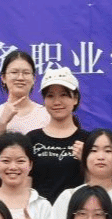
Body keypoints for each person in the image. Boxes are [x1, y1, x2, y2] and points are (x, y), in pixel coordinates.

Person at [26, 67, 89, 204]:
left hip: (76, 212)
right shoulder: (31, 139)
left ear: (75, 99)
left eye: (63, 95)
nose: (57, 102)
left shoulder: (88, 140)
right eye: (50, 96)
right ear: (44, 100)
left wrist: (87, 161)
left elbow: (97, 185)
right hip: (39, 213)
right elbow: (24, 186)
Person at [0, 49, 48, 135]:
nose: (20, 78)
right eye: (14, 72)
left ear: (34, 78)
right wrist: (2, 123)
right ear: (3, 78)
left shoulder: (46, 114)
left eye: (26, 73)